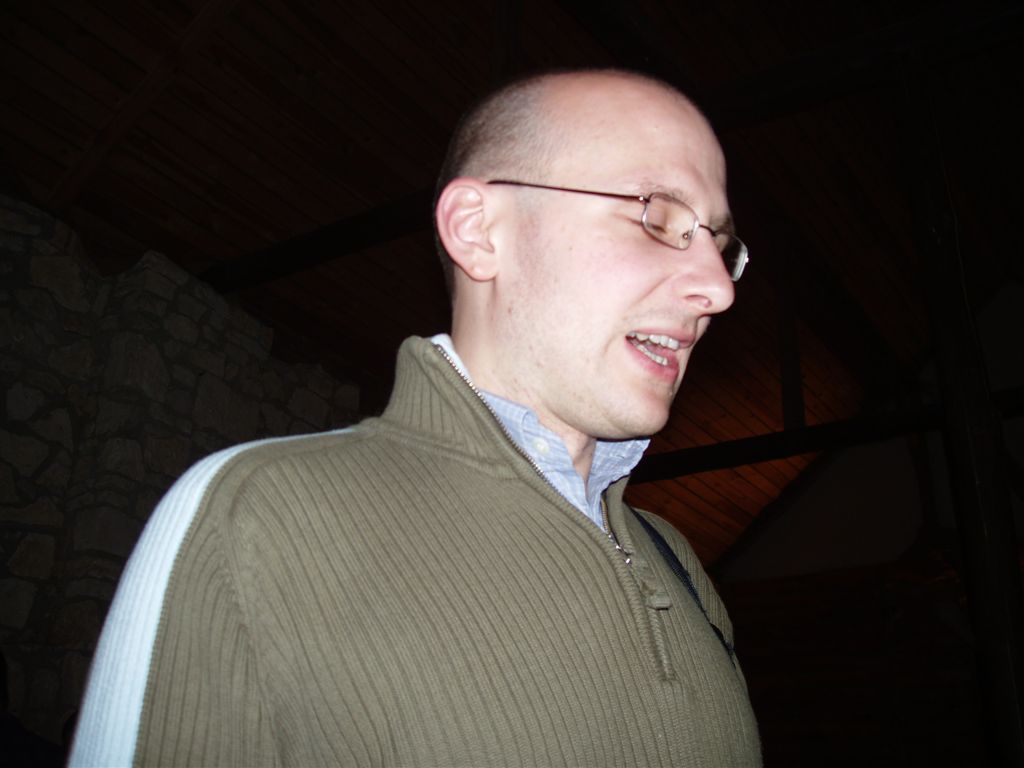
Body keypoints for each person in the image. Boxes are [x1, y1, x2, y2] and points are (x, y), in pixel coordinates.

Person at [70, 68, 759, 767]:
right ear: (478, 231)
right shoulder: (258, 515)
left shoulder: (674, 561)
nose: (717, 289)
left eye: (720, 244)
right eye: (658, 217)